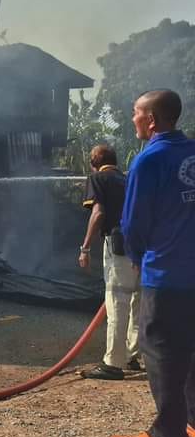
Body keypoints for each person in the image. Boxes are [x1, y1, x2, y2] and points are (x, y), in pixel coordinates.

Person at [111, 90, 195, 437]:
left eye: (135, 112)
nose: (133, 119)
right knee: (191, 349)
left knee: (161, 352)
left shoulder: (148, 160)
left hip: (165, 275)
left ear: (152, 119)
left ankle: (168, 434)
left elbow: (133, 223)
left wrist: (136, 257)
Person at [79, 144, 141, 380]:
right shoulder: (127, 180)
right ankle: (131, 356)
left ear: (94, 163)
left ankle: (113, 363)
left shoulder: (97, 178)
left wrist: (85, 247)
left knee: (117, 302)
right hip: (140, 247)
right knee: (137, 303)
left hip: (118, 246)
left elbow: (98, 213)